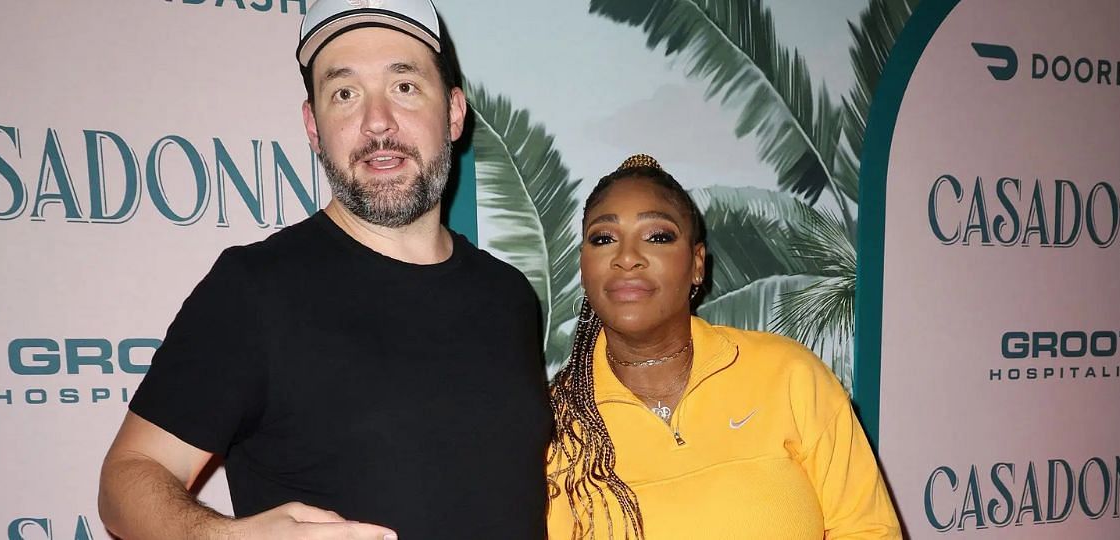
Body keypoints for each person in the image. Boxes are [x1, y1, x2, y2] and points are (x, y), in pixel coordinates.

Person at [97, 1, 551, 538]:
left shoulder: (509, 295)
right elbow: (125, 480)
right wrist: (227, 537)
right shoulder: (255, 291)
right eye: (345, 93)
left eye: (404, 86)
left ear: (453, 112)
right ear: (313, 125)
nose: (377, 121)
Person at [546, 154, 901, 539]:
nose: (627, 257)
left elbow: (868, 529)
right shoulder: (552, 425)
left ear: (697, 263)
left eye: (658, 236)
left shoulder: (789, 375)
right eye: (604, 239)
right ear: (584, 266)